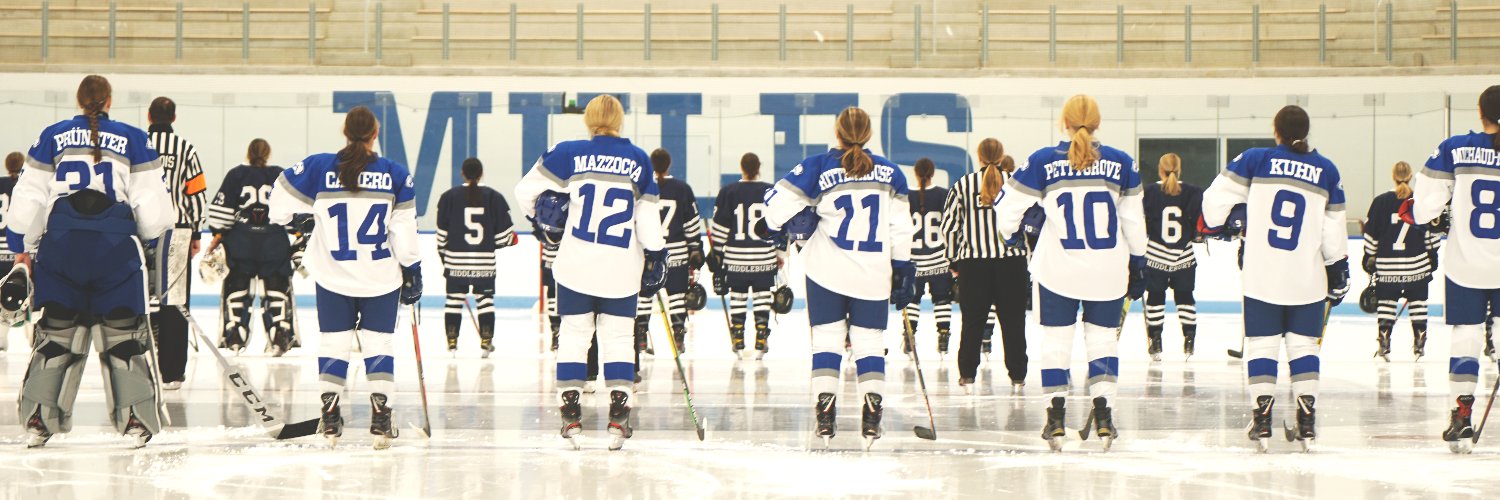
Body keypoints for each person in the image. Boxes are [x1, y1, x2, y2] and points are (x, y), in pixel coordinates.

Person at [11, 74, 174, 448]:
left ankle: (39, 418)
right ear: (110, 101)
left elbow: (30, 199)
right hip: (115, 252)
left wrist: (27, 244)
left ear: (80, 100)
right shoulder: (134, 138)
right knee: (123, 337)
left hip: (62, 248)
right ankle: (135, 418)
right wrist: (148, 242)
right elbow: (155, 210)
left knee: (56, 335)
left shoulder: (52, 134)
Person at [514, 94, 667, 451]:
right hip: (621, 267)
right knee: (617, 338)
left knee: (574, 335)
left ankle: (570, 414)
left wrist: (542, 226)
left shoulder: (567, 152)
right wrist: (657, 256)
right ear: (620, 120)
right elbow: (647, 219)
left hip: (574, 265)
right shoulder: (639, 160)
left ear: (588, 119)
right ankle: (618, 415)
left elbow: (525, 192)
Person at [994, 95, 1146, 451]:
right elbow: (1133, 221)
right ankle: (1104, 415)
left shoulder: (1043, 161)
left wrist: (1012, 234)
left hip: (1057, 270)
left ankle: (1056, 417)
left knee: (1056, 344)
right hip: (1107, 270)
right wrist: (1138, 261)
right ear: (1097, 123)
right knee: (1103, 343)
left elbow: (1007, 207)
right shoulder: (1122, 162)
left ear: (1063, 123)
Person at [759, 106, 916, 450]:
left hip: (826, 271)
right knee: (869, 344)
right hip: (874, 273)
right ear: (869, 133)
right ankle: (872, 413)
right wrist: (904, 269)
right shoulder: (892, 173)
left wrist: (771, 227)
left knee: (827, 342)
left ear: (838, 132)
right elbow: (901, 228)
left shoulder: (818, 166)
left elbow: (775, 206)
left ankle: (825, 413)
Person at [268, 105, 423, 450]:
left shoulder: (319, 167)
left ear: (345, 131)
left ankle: (330, 415)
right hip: (381, 277)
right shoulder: (395, 173)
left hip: (333, 276)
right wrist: (412, 268)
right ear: (375, 134)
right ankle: (381, 415)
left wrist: (300, 219)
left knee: (334, 344)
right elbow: (405, 233)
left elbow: (277, 203)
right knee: (378, 345)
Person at [1201, 104, 1348, 452]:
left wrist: (1232, 220)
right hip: (1307, 276)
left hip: (1262, 273)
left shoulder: (1256, 159)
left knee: (1263, 347)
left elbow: (1212, 201)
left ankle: (1263, 420)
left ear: (1276, 130)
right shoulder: (1327, 170)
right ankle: (1307, 421)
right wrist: (1338, 271)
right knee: (1303, 348)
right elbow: (1333, 233)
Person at [1402, 85, 1500, 454]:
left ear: (1480, 113)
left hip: (1466, 264)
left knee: (1467, 336)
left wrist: (1412, 212)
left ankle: (1461, 412)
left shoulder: (1456, 147)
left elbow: (1425, 207)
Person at [942, 141, 1031, 394]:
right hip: (1011, 264)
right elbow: (1031, 221)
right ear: (1002, 156)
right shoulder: (1016, 182)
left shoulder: (962, 185)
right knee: (1013, 322)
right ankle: (1018, 375)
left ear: (979, 157)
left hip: (974, 265)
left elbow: (949, 228)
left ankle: (967, 374)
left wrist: (953, 261)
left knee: (972, 322)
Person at [203, 139, 297, 357]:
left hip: (240, 242)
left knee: (237, 290)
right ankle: (280, 335)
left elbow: (220, 213)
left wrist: (218, 235)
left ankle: (234, 335)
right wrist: (297, 233)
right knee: (276, 290)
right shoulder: (280, 175)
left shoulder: (236, 174)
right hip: (274, 242)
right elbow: (293, 212)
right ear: (268, 152)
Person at [146, 96, 208, 390]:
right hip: (177, 232)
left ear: (149, 116)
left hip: (139, 232)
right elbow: (196, 193)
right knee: (176, 304)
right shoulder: (185, 148)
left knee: (138, 301)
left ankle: (137, 368)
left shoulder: (137, 144)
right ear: (173, 118)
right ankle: (172, 372)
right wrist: (196, 233)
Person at [436, 157, 518, 357]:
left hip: (455, 261)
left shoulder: (448, 197)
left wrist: (445, 260)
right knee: (485, 300)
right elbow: (506, 237)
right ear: (481, 174)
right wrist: (492, 243)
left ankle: (452, 344)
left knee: (453, 301)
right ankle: (486, 342)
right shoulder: (494, 197)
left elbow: (441, 238)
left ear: (462, 173)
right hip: (485, 263)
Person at [1363, 161, 1441, 361]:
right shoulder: (1420, 201)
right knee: (1418, 304)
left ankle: (1384, 342)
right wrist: (1432, 255)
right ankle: (1419, 344)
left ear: (1393, 175)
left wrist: (1369, 257)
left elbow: (1371, 236)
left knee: (1387, 305)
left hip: (1388, 268)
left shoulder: (1380, 202)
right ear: (1411, 175)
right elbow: (1431, 235)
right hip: (1417, 266)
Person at [709, 153, 780, 358]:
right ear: (759, 167)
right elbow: (777, 226)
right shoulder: (770, 191)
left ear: (742, 167)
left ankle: (738, 337)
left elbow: (720, 227)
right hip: (764, 256)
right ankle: (761, 338)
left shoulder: (728, 192)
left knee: (738, 297)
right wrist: (779, 253)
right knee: (762, 297)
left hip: (736, 258)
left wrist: (717, 252)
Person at [637, 148, 704, 355]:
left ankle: (640, 336)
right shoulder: (682, 188)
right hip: (677, 253)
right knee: (677, 296)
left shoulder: (642, 187)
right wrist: (695, 248)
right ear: (669, 164)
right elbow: (692, 224)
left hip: (648, 251)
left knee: (644, 296)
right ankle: (678, 335)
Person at [1141, 153, 1204, 360]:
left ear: (1160, 170)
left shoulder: (1149, 192)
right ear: (1180, 169)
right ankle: (1189, 339)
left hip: (1156, 255)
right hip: (1184, 256)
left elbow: (1143, 224)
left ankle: (1156, 340)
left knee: (1155, 298)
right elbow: (1198, 225)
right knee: (1185, 297)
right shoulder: (1194, 192)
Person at [901, 158, 952, 358]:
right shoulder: (944, 195)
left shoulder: (906, 197)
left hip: (914, 260)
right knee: (942, 299)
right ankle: (943, 334)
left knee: (913, 299)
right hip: (939, 258)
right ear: (933, 172)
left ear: (915, 173)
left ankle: (909, 333)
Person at [0, 152, 20, 351]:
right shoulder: (25, 185)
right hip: (18, 249)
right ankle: (31, 331)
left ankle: (2, 335)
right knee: (26, 293)